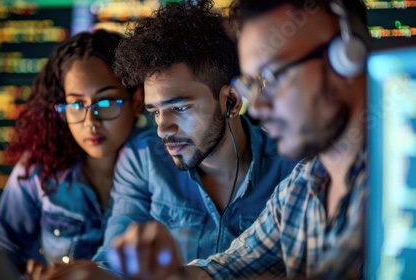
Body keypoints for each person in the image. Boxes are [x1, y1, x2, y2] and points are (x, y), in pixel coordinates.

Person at [106, 0, 371, 279]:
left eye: (273, 77)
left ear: (346, 58)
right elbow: (226, 269)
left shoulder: (400, 185)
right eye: (253, 85)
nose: (256, 107)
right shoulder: (300, 188)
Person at [47, 1, 296, 279]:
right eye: (155, 112)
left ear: (232, 101)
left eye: (179, 108)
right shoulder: (143, 160)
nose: (162, 129)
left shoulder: (293, 167)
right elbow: (113, 258)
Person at [0, 29, 144, 278]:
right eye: (76, 105)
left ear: (136, 101)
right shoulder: (39, 168)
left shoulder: (160, 167)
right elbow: (1, 252)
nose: (90, 121)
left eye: (105, 103)